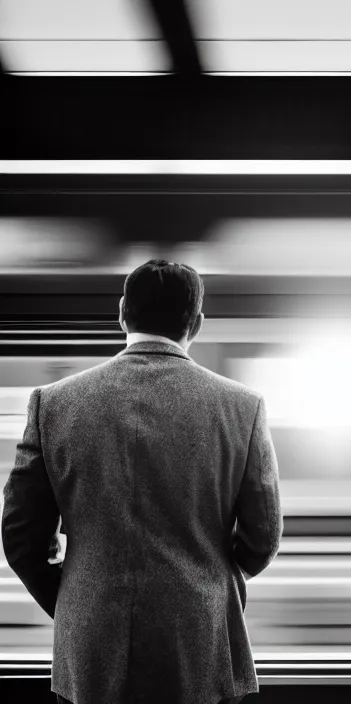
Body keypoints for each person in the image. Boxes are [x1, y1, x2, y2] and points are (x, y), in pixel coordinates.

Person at [1, 260, 283, 704]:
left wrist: (78, 600)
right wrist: (210, 579)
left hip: (89, 651)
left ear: (121, 313)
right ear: (197, 323)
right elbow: (263, 536)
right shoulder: (241, 407)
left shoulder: (53, 404)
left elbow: (19, 535)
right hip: (200, 648)